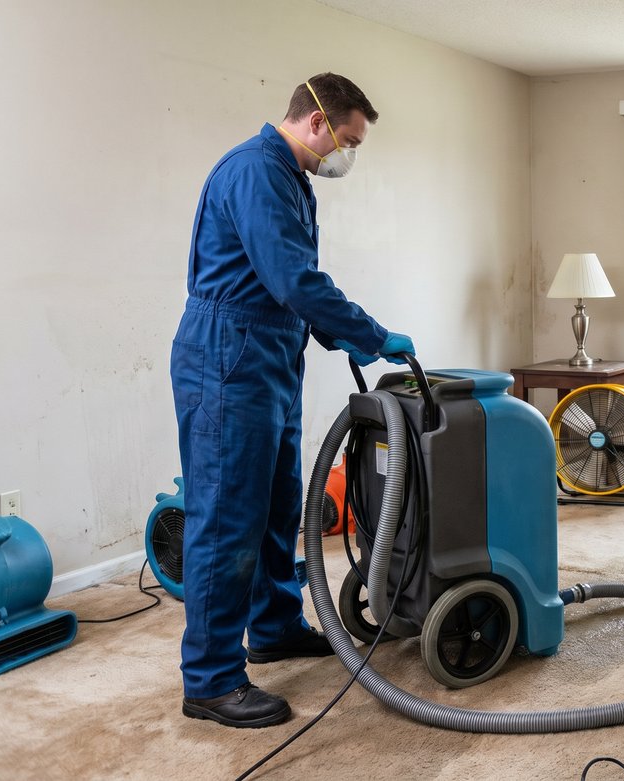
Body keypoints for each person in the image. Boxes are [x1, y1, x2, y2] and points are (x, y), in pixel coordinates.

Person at [170, 73, 414, 728]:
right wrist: (368, 333)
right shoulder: (256, 172)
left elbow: (290, 287)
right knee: (226, 517)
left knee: (278, 502)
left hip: (268, 355)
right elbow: (294, 279)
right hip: (229, 356)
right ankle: (211, 678)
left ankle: (274, 623)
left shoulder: (289, 176)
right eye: (349, 140)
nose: (348, 156)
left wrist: (345, 336)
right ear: (317, 123)